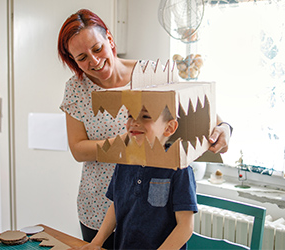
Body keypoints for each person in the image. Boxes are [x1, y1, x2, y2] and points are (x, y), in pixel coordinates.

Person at [57, 8, 231, 249]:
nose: (94, 61)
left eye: (97, 49)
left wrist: (224, 127)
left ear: (109, 39)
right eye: (82, 57)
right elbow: (78, 149)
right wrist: (127, 145)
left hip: (154, 213)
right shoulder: (76, 89)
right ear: (72, 60)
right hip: (99, 207)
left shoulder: (152, 75)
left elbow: (197, 110)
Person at [76, 106, 197, 250]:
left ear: (169, 127)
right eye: (129, 116)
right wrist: (96, 242)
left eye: (145, 117)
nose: (134, 122)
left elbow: (185, 227)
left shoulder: (179, 169)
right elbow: (116, 205)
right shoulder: (124, 161)